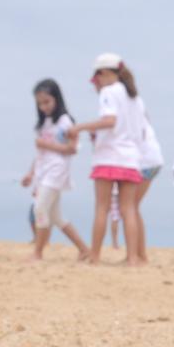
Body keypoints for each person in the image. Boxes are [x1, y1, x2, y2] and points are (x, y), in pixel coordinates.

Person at [68, 53, 145, 265]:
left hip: (109, 156)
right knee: (128, 208)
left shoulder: (109, 92)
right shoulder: (135, 98)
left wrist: (80, 127)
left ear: (102, 74)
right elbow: (140, 131)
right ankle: (132, 258)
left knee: (101, 207)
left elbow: (110, 121)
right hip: (130, 158)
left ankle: (95, 255)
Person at [21, 79, 90, 261]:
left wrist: (47, 144)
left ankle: (38, 252)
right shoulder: (44, 123)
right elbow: (40, 153)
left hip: (57, 170)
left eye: (47, 102)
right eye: (40, 103)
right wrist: (30, 173)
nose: (44, 107)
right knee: (56, 216)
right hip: (43, 171)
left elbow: (72, 148)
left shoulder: (65, 122)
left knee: (39, 208)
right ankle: (84, 249)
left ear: (56, 99)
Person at [131, 95, 164, 263]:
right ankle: (139, 254)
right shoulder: (143, 118)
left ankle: (140, 255)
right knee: (133, 207)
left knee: (131, 207)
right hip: (154, 162)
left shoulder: (132, 118)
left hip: (145, 163)